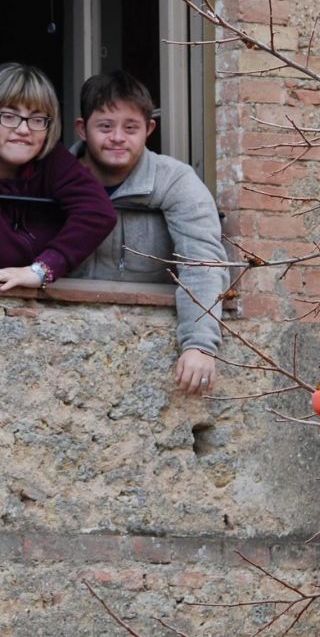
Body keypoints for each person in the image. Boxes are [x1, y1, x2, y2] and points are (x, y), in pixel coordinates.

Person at [71, 71, 228, 396]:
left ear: (149, 130)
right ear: (81, 129)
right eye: (105, 126)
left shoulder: (176, 181)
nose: (117, 137)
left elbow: (202, 262)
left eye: (130, 128)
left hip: (148, 362)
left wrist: (199, 344)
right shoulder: (54, 177)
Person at [0, 63, 117, 291]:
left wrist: (41, 269)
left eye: (38, 119)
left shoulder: (49, 156)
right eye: (9, 116)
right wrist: (49, 231)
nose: (24, 130)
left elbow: (99, 212)